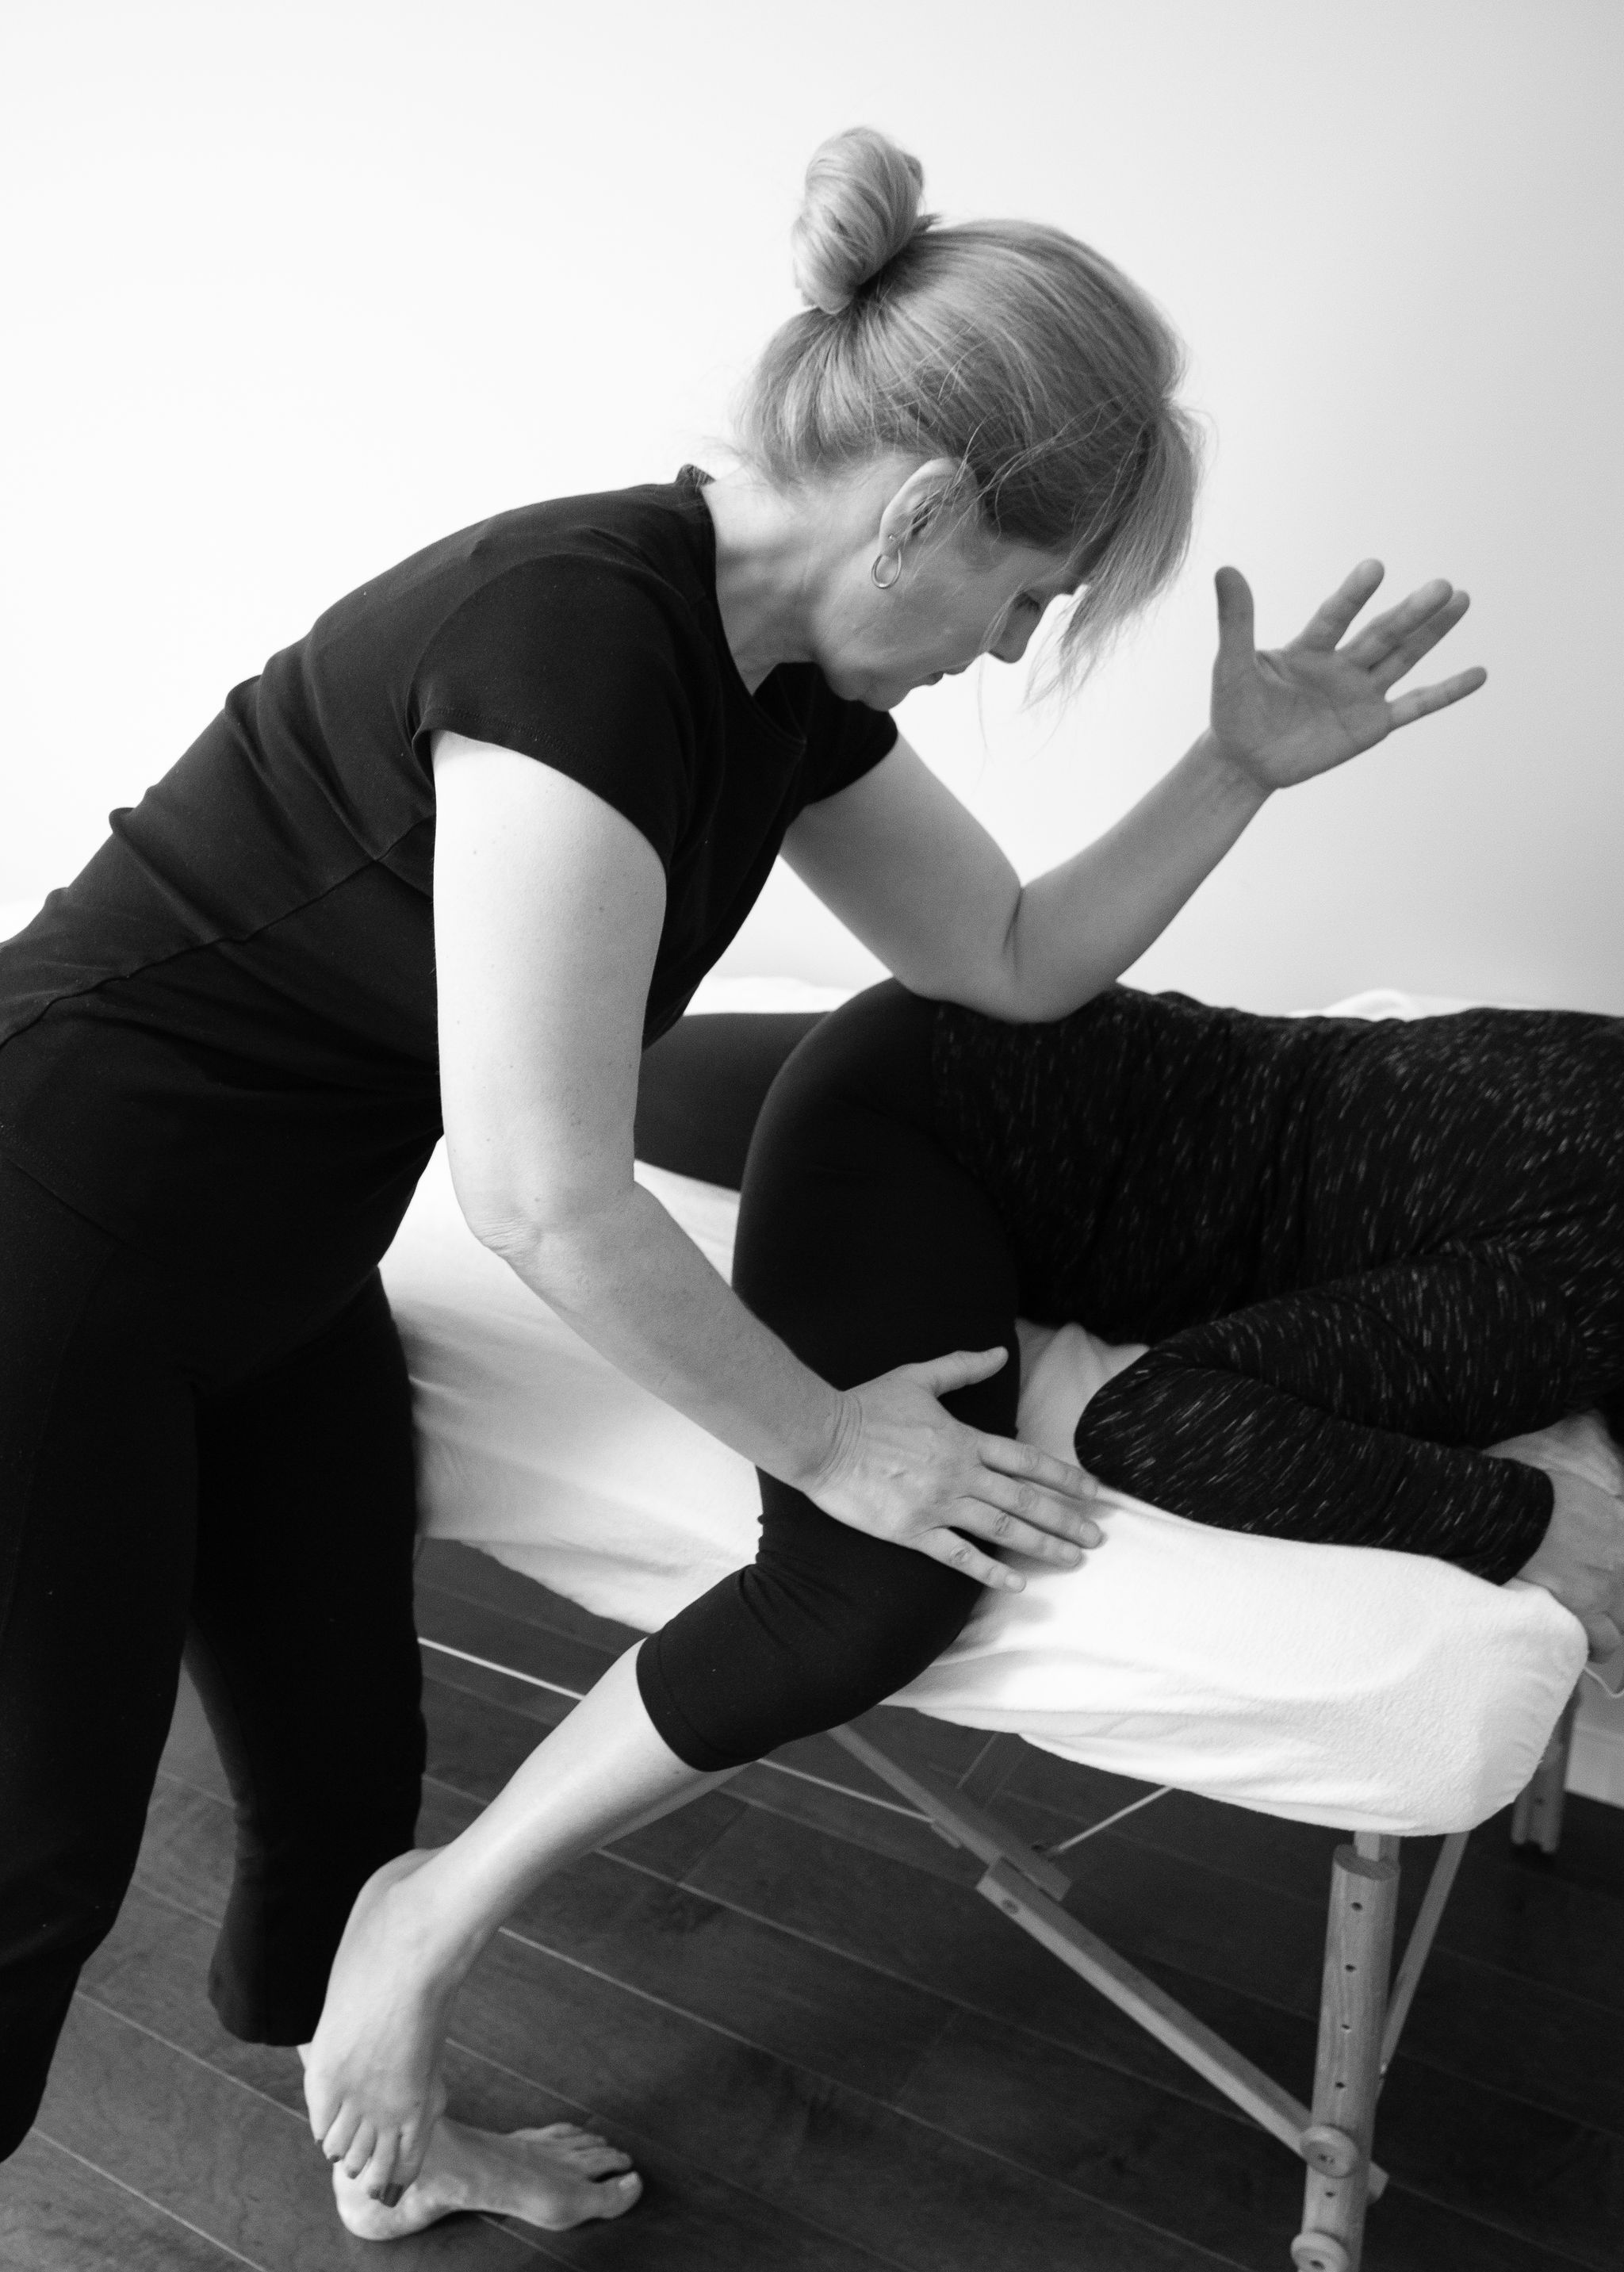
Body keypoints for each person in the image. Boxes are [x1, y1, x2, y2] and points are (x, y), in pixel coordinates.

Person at [0, 121, 1482, 2237]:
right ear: (926, 508)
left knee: (340, 1775)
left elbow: (1005, 959)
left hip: (280, 1263)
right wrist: (833, 1446)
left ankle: (391, 2150)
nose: (1011, 646)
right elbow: (541, 1192)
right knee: (39, 1849)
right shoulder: (579, 643)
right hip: (52, 1230)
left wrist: (1233, 768)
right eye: (1028, 594)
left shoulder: (780, 688)